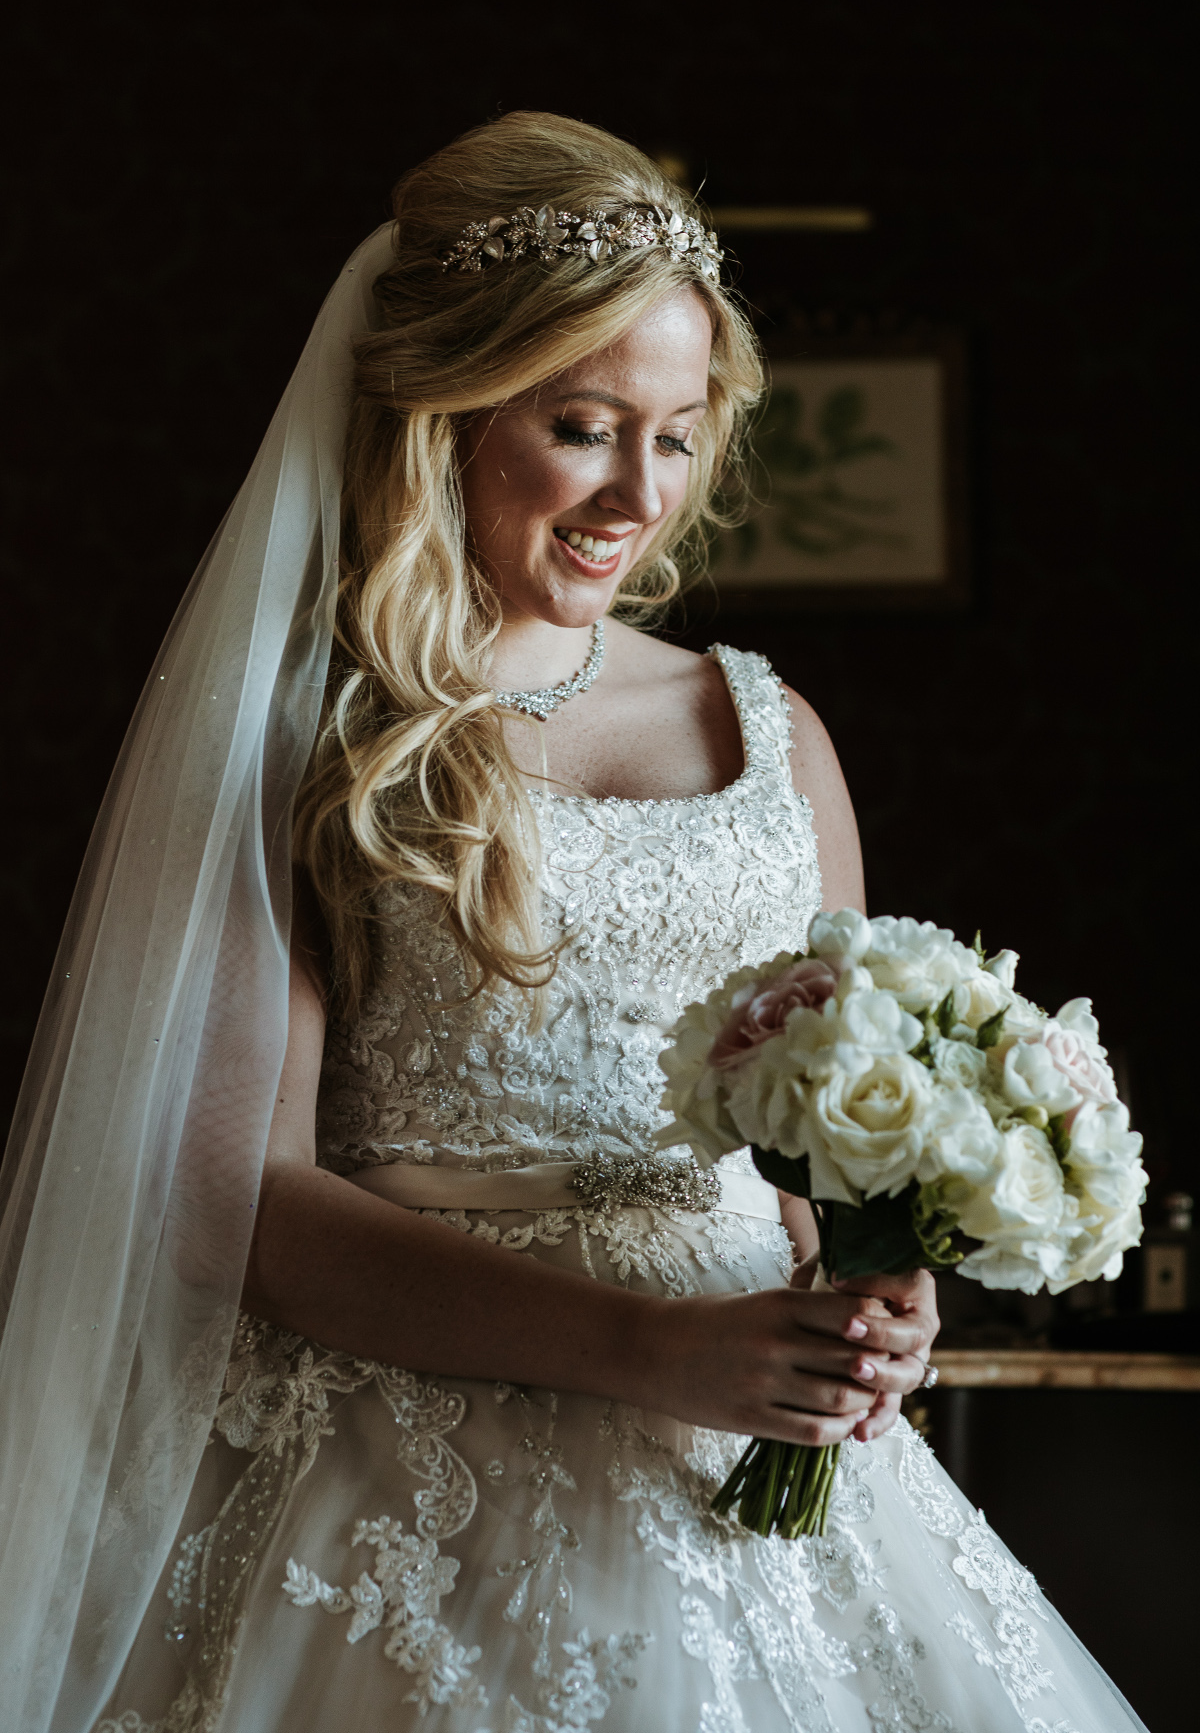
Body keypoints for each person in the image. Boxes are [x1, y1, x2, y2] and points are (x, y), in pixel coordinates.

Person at [0, 113, 1145, 1733]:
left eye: (676, 436)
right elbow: (234, 1204)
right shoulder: (314, 738)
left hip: (760, 1484)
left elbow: (816, 1160)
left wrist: (871, 1293)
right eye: (585, 425)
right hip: (415, 1489)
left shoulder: (772, 733)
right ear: (440, 410)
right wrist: (652, 1349)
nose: (638, 494)